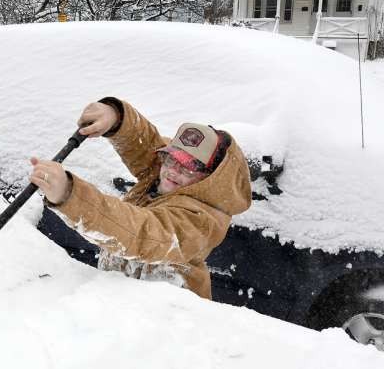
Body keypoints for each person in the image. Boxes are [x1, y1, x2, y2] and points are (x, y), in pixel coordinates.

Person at [29, 97, 252, 299]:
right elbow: (144, 144)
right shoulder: (164, 176)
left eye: (188, 168)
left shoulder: (200, 221)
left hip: (168, 324)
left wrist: (70, 194)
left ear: (208, 178)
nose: (173, 171)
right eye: (171, 159)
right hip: (121, 307)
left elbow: (142, 234)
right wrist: (115, 118)